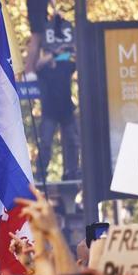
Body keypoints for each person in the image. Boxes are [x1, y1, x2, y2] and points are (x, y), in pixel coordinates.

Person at [34, 32, 80, 183]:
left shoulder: (65, 65)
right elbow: (38, 64)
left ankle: (72, 171)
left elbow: (78, 62)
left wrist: (71, 48)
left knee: (73, 141)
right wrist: (54, 53)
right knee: (45, 143)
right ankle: (41, 173)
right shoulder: (43, 70)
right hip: (49, 112)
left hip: (66, 110)